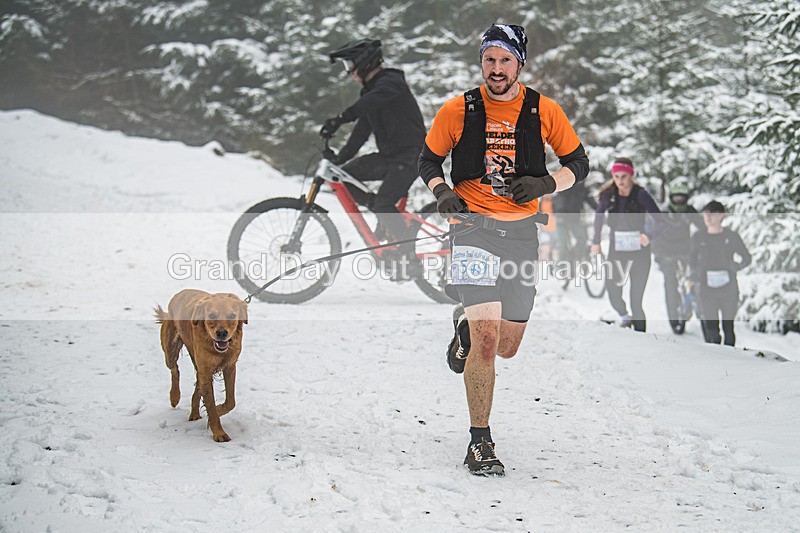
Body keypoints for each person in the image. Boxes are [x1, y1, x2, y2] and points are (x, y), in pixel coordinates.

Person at [418, 23, 589, 476]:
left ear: (519, 64)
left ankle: (464, 330)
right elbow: (428, 160)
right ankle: (480, 442)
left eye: (505, 60)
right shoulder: (460, 110)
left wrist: (547, 183)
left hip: (521, 235)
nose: (497, 69)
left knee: (507, 346)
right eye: (489, 60)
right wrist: (442, 192)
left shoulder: (542, 110)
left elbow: (579, 163)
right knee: (489, 342)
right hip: (473, 230)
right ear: (482, 63)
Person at [322, 39, 427, 275]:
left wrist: (341, 118)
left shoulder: (391, 82)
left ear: (363, 62)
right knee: (343, 177)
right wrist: (339, 160)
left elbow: (371, 102)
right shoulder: (370, 92)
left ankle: (410, 259)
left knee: (384, 203)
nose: (349, 71)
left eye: (350, 65)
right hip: (389, 156)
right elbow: (362, 131)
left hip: (412, 155)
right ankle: (378, 208)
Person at [591, 158, 664, 332]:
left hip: (640, 253)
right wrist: (595, 242)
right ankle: (625, 316)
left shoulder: (641, 195)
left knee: (636, 300)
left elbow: (662, 222)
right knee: (613, 292)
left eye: (624, 176)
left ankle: (642, 339)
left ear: (631, 175)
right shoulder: (609, 195)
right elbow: (599, 217)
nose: (620, 181)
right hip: (617, 251)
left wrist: (649, 236)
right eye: (616, 176)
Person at [690, 200, 751, 346]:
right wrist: (695, 274)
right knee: (711, 328)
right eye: (705, 213)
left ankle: (730, 359)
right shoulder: (698, 237)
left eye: (712, 213)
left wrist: (735, 266)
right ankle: (715, 359)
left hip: (728, 287)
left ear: (721, 216)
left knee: (728, 327)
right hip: (706, 287)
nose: (708, 217)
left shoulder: (731, 237)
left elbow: (746, 258)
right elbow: (691, 259)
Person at [651, 182, 703, 333]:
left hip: (686, 252)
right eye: (676, 198)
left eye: (682, 198)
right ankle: (674, 319)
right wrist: (659, 255)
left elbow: (702, 226)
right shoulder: (663, 213)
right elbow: (655, 236)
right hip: (666, 253)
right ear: (671, 198)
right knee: (670, 285)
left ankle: (697, 308)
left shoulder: (689, 211)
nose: (679, 201)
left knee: (694, 280)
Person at [552, 178, 597, 283]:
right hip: (561, 220)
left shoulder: (583, 189)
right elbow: (559, 200)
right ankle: (563, 267)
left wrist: (600, 209)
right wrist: (560, 212)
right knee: (563, 244)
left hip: (575, 220)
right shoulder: (565, 185)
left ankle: (574, 256)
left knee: (582, 238)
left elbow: (591, 202)